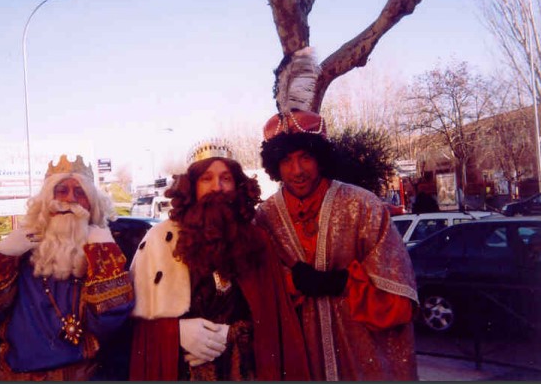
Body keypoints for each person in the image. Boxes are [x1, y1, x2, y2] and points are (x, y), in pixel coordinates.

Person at [255, 110, 419, 381]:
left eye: (306, 157)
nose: (297, 171)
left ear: (321, 157)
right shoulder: (265, 218)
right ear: (275, 165)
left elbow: (400, 298)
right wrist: (292, 283)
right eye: (286, 160)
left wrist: (342, 283)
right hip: (299, 361)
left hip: (361, 357)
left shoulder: (363, 205)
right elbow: (260, 292)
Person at [128, 140, 310, 381]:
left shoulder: (257, 240)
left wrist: (234, 335)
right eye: (207, 179)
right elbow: (133, 325)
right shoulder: (160, 240)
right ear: (192, 187)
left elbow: (272, 322)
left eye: (226, 178)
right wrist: (176, 333)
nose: (218, 187)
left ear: (237, 185)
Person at [0, 154, 134, 381]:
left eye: (80, 193)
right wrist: (1, 256)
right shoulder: (19, 257)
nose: (70, 199)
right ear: (45, 202)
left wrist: (103, 255)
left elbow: (108, 325)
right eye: (61, 190)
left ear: (92, 204)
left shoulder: (104, 258)